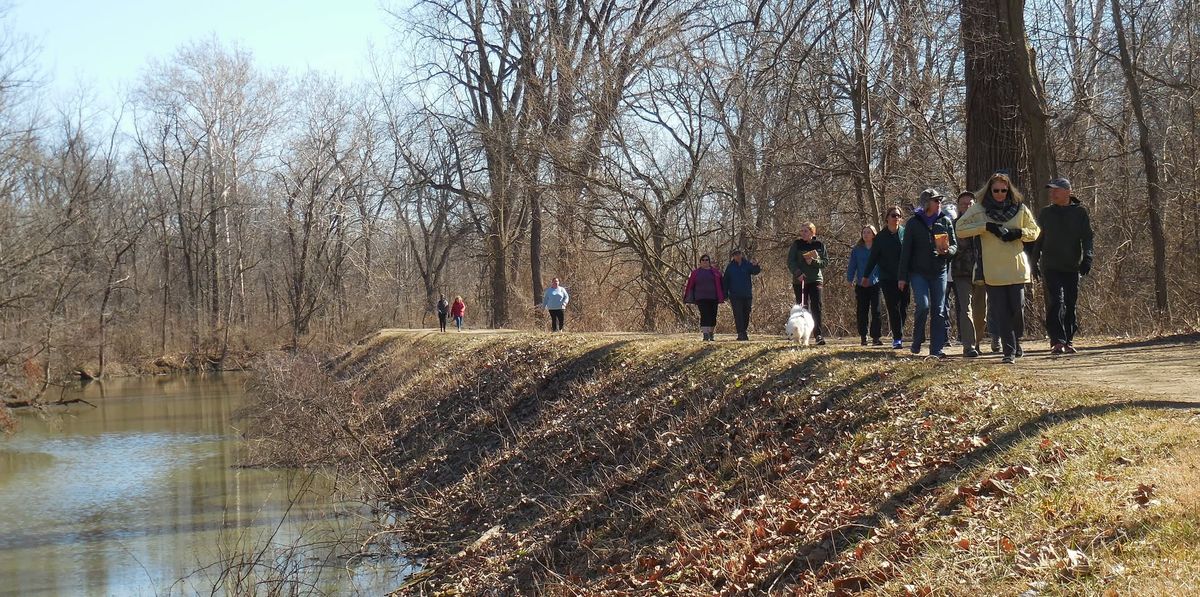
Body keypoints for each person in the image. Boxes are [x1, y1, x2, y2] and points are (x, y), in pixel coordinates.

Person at [955, 172, 1042, 364]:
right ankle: (1008, 350)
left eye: (1004, 190)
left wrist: (1019, 233)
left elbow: (1035, 232)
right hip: (993, 270)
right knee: (1001, 311)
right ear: (989, 190)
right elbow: (960, 228)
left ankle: (1016, 340)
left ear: (1009, 190)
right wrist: (985, 227)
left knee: (1016, 308)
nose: (1000, 194)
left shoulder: (1020, 209)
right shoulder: (979, 209)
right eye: (996, 190)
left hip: (1016, 268)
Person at [1031, 177, 1094, 354]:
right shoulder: (1046, 213)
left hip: (1072, 266)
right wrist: (1033, 262)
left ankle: (1069, 340)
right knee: (1056, 302)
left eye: (1057, 190)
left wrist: (1087, 258)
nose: (1053, 193)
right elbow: (1038, 239)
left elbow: (1087, 238)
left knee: (1070, 303)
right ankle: (1057, 340)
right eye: (1051, 190)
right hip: (1051, 266)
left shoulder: (1080, 213)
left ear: (1068, 192)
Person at [898, 189, 958, 358]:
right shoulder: (913, 223)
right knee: (923, 306)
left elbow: (954, 245)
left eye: (940, 200)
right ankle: (917, 339)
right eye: (935, 200)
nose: (939, 202)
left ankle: (936, 349)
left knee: (938, 310)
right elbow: (906, 252)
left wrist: (948, 251)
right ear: (926, 203)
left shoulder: (945, 221)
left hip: (939, 272)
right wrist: (902, 277)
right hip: (918, 273)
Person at [865, 206, 909, 349]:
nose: (896, 218)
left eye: (898, 216)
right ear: (887, 218)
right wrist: (866, 275)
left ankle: (899, 331)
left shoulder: (905, 233)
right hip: (887, 277)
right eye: (893, 215)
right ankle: (897, 338)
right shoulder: (880, 238)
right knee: (893, 307)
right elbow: (873, 258)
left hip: (904, 276)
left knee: (904, 307)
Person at [950, 191, 987, 357]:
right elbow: (949, 248)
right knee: (965, 309)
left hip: (982, 272)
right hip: (961, 273)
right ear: (959, 206)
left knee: (981, 312)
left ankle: (977, 341)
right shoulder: (953, 225)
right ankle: (968, 346)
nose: (967, 206)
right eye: (963, 204)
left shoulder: (983, 225)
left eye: (970, 203)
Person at [787, 222, 828, 345]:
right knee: (802, 308)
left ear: (812, 232)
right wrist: (798, 273)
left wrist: (813, 262)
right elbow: (790, 261)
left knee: (817, 307)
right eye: (802, 231)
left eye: (806, 231)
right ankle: (801, 334)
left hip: (815, 279)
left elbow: (825, 262)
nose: (803, 233)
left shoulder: (819, 245)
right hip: (800, 281)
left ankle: (818, 335)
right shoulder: (796, 244)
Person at [846, 225, 882, 346]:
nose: (866, 235)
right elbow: (852, 265)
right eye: (864, 232)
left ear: (873, 234)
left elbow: (883, 265)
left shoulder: (878, 248)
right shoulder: (857, 249)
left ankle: (876, 337)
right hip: (861, 284)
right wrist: (849, 279)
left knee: (876, 310)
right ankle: (863, 336)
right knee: (862, 310)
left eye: (868, 232)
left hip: (875, 283)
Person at [683, 254, 725, 341]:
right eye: (703, 260)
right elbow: (690, 285)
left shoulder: (715, 272)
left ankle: (711, 333)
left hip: (713, 297)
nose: (705, 261)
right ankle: (705, 334)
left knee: (713, 315)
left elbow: (722, 284)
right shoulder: (695, 273)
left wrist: (723, 295)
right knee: (704, 314)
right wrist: (689, 296)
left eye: (707, 260)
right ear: (700, 262)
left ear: (709, 262)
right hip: (701, 297)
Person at [722, 248, 761, 341]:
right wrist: (725, 294)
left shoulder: (747, 264)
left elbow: (755, 271)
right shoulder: (730, 267)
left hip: (747, 294)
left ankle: (744, 331)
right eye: (735, 254)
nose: (737, 256)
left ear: (741, 254)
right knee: (738, 314)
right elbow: (726, 281)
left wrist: (756, 266)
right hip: (735, 295)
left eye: (739, 254)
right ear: (733, 256)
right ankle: (741, 333)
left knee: (746, 313)